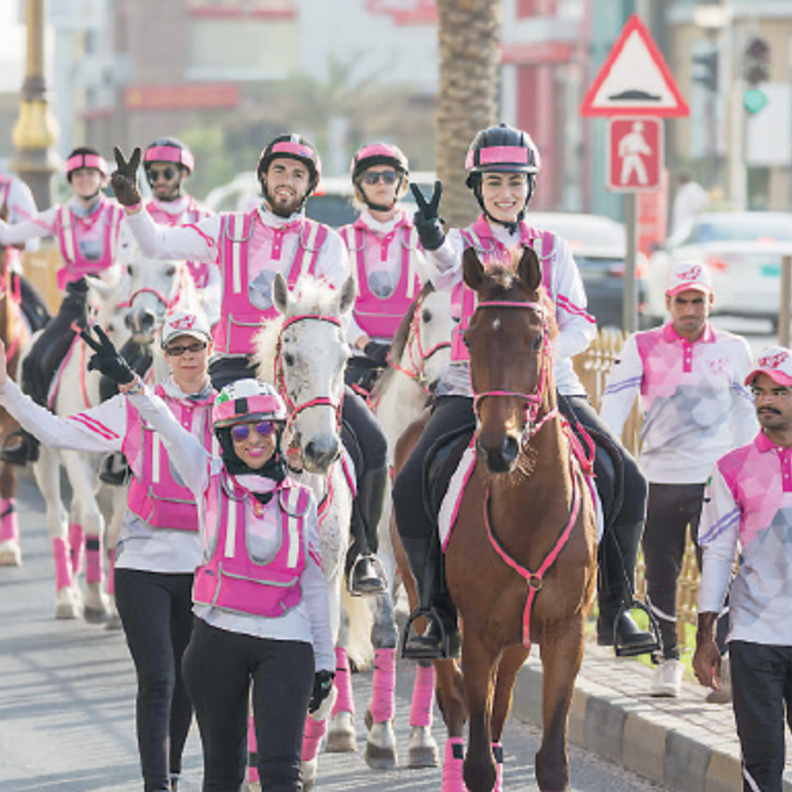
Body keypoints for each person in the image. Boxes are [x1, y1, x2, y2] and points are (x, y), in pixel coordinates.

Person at [394, 122, 655, 659]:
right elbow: (445, 272)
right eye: (493, 183)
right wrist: (430, 234)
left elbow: (581, 319)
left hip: (549, 383)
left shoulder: (554, 248)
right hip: (472, 384)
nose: (504, 193)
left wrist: (541, 357)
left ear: (530, 188)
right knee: (414, 479)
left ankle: (618, 603)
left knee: (625, 473)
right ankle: (434, 611)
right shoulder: (462, 245)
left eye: (514, 182)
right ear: (478, 189)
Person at [111, 135, 389, 595]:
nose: (287, 181)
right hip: (235, 367)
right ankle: (180, 543)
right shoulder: (225, 228)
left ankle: (363, 556)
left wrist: (362, 343)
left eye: (298, 174)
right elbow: (158, 245)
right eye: (279, 171)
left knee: (374, 443)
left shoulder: (327, 242)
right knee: (190, 436)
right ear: (264, 177)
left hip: (302, 367)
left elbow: (337, 310)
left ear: (310, 186)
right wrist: (133, 205)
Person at [87, 325, 335, 792]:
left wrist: (326, 663)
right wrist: (128, 381)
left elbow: (316, 586)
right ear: (224, 437)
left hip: (288, 646)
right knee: (223, 775)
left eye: (264, 429)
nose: (254, 439)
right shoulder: (208, 477)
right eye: (240, 431)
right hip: (217, 643)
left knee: (283, 774)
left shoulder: (302, 501)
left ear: (281, 433)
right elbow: (162, 421)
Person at [0, 310, 214, 792]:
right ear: (163, 355)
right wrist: (7, 390)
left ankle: (173, 773)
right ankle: (156, 785)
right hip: (142, 564)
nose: (186, 357)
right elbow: (57, 431)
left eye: (194, 346)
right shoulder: (134, 406)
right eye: (176, 348)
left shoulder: (228, 410)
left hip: (204, 569)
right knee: (158, 678)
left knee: (186, 682)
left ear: (210, 349)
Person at [600, 261, 757, 697]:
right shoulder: (642, 345)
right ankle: (668, 659)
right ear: (667, 303)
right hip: (659, 479)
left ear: (711, 302)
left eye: (698, 300)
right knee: (661, 574)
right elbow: (614, 406)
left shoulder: (734, 348)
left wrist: (743, 471)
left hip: (715, 483)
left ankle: (719, 663)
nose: (690, 309)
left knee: (719, 572)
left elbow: (747, 415)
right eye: (681, 301)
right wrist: (615, 463)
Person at [693, 346, 792, 792]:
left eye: (780, 391)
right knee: (762, 761)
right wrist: (705, 635)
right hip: (755, 635)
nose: (765, 400)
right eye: (759, 391)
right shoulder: (731, 468)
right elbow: (717, 553)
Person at [0, 147, 125, 465]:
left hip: (112, 302)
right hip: (75, 304)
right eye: (78, 176)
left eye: (91, 175)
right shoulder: (59, 215)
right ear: (71, 180)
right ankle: (30, 439)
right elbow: (13, 233)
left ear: (101, 179)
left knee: (139, 359)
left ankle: (133, 441)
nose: (84, 181)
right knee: (35, 360)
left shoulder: (119, 214)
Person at [139, 137, 221, 326]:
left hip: (200, 317)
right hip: (150, 317)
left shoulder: (207, 217)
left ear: (184, 174)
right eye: (153, 175)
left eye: (167, 173)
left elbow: (218, 279)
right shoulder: (138, 219)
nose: (160, 180)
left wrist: (198, 298)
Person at [0, 171, 50, 334]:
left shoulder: (13, 188)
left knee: (41, 317)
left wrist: (8, 236)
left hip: (7, 273)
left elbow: (32, 242)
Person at [671, 171, 709, 236]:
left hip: (690, 229)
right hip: (686, 229)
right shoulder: (687, 191)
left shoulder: (692, 192)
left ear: (679, 181)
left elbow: (700, 209)